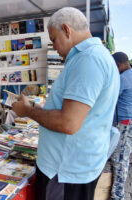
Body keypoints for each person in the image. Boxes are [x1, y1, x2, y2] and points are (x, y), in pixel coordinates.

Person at [12, 7, 120, 200]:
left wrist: (28, 111)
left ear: (67, 30)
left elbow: (68, 122)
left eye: (53, 39)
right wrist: (35, 109)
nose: (53, 46)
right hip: (73, 168)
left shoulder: (89, 59)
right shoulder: (92, 57)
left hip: (65, 174)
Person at [110, 52, 132, 200]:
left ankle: (118, 196)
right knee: (121, 157)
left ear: (118, 65)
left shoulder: (123, 78)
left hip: (124, 124)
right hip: (126, 123)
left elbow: (109, 97)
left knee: (119, 159)